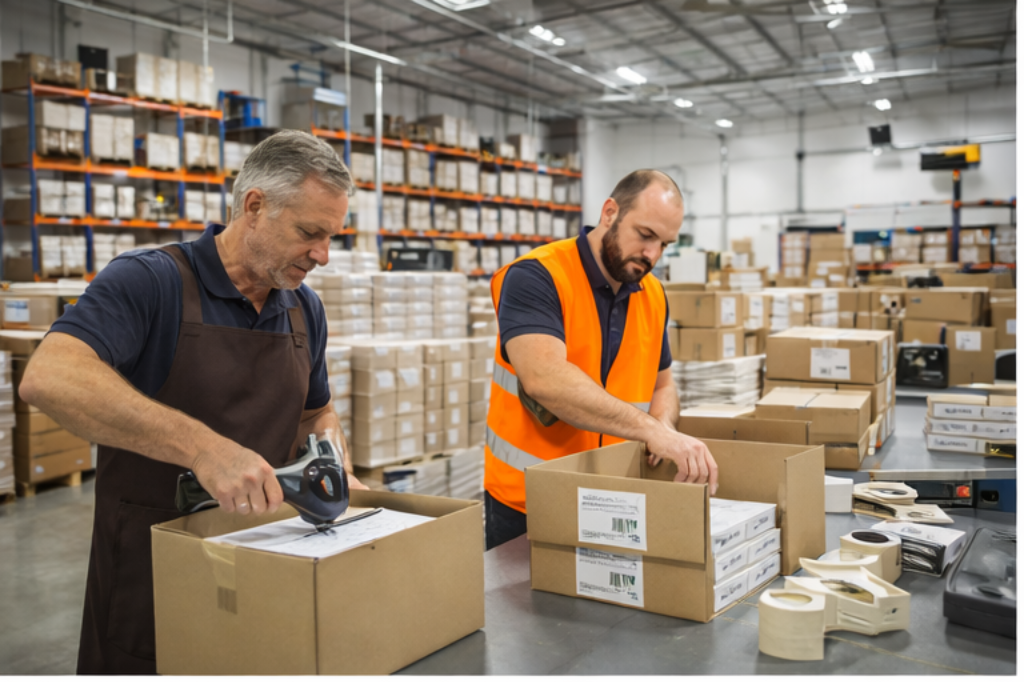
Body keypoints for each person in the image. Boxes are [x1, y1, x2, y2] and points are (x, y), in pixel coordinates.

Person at [18, 130, 366, 674]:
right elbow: (51, 377)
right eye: (309, 233)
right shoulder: (150, 281)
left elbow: (313, 411)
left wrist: (335, 465)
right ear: (255, 207)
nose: (322, 255)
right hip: (153, 572)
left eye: (331, 238)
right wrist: (204, 449)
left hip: (265, 559)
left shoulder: (304, 310)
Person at [483, 169, 719, 550]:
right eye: (645, 235)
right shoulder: (537, 276)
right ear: (610, 212)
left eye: (664, 244)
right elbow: (544, 378)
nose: (652, 255)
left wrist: (664, 424)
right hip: (530, 503)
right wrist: (651, 431)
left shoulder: (653, 294)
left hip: (616, 497)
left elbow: (663, 385)